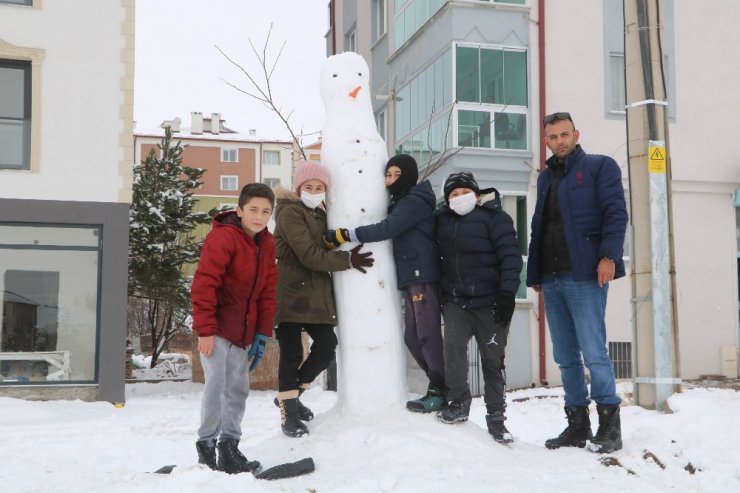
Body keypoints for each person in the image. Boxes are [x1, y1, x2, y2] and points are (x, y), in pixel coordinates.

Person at [526, 112, 628, 454]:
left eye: (564, 134)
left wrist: (609, 256)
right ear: (546, 141)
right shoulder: (544, 179)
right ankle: (577, 425)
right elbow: (538, 226)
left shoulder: (600, 167)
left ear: (576, 134)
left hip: (585, 274)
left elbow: (616, 213)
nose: (559, 141)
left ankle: (609, 428)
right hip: (552, 279)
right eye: (553, 137)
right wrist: (535, 272)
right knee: (566, 357)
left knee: (594, 353)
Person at [324, 154, 445, 413]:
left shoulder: (414, 201)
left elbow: (388, 228)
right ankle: (442, 386)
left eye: (396, 175)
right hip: (411, 276)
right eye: (387, 176)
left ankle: (440, 388)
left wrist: (347, 234)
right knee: (412, 337)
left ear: (409, 176)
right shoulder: (402, 200)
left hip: (422, 275)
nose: (390, 181)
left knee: (425, 334)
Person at [272, 160, 374, 437]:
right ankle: (288, 415)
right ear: (298, 188)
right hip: (290, 293)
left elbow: (319, 243)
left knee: (327, 346)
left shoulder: (318, 214)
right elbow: (308, 254)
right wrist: (347, 259)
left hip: (315, 294)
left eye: (319, 187)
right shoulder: (289, 212)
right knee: (292, 354)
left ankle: (289, 396)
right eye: (309, 186)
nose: (314, 191)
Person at [190, 183, 277, 474]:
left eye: (265, 211)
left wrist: (262, 333)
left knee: (238, 390)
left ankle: (229, 448)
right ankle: (206, 447)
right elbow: (205, 284)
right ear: (239, 210)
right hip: (216, 330)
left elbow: (267, 291)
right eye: (253, 209)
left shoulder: (267, 244)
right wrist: (204, 330)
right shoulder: (224, 238)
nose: (259, 216)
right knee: (216, 386)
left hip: (243, 334)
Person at [434, 171, 522, 444]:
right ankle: (458, 403)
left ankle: (496, 419)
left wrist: (507, 296)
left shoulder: (496, 219)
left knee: (493, 362)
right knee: (453, 352)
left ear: (476, 193)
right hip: (456, 302)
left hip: (491, 303)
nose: (459, 198)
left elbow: (510, 258)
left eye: (464, 192)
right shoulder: (440, 222)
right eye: (453, 195)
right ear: (447, 200)